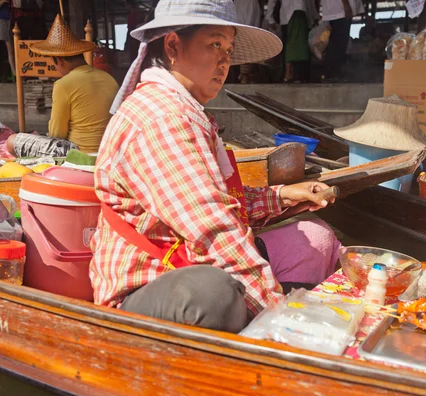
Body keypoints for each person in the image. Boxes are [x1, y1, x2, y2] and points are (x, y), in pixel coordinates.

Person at [90, 0, 341, 333]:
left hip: (184, 259)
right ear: (173, 45)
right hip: (146, 289)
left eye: (229, 49)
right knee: (213, 294)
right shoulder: (163, 118)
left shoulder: (186, 110)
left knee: (314, 235)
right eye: (214, 45)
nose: (225, 61)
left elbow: (218, 199)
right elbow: (211, 226)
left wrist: (282, 196)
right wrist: (278, 317)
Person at [5, 15, 119, 157]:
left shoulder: (64, 84)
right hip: (108, 150)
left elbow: (57, 134)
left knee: (12, 141)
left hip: (79, 153)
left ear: (59, 60)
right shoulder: (109, 78)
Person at [267, 0, 318, 83]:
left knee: (295, 46)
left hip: (298, 15)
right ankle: (290, 74)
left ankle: (293, 75)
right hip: (293, 15)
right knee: (292, 46)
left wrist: (314, 15)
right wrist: (270, 18)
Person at [321, 0, 364, 82]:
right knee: (339, 43)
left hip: (335, 10)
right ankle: (333, 74)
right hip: (339, 10)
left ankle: (331, 74)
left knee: (336, 42)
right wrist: (346, 4)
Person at [235, 0, 261, 83]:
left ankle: (245, 75)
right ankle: (244, 75)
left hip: (244, 30)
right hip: (242, 30)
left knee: (246, 52)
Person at [0, 0, 15, 79]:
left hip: (9, 20)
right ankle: (15, 73)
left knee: (12, 49)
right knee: (10, 48)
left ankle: (15, 73)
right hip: (3, 20)